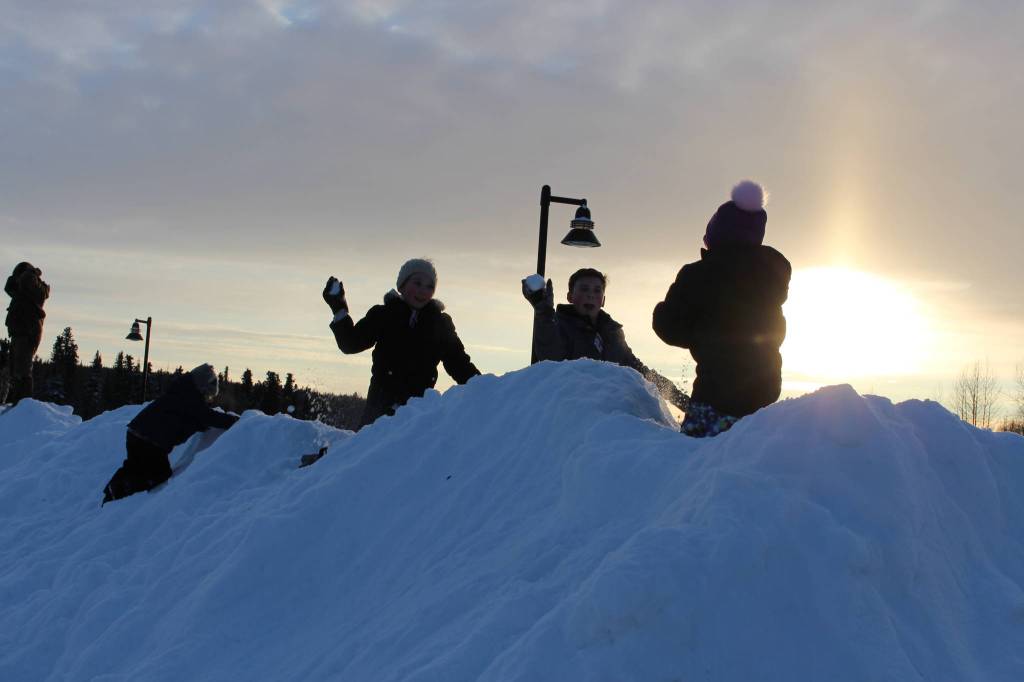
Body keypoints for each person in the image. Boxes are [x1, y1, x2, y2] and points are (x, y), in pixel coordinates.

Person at [652, 180, 791, 437]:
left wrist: (666, 315)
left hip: (715, 395)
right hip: (764, 394)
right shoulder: (771, 275)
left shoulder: (699, 275)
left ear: (715, 236)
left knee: (697, 461)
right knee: (747, 459)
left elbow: (672, 328)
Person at [322, 258, 480, 429]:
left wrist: (486, 389)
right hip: (379, 408)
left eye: (429, 286)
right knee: (369, 452)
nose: (423, 290)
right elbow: (350, 343)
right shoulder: (384, 315)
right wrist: (339, 309)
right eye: (417, 283)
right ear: (402, 285)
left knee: (409, 453)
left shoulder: (439, 323)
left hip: (417, 413)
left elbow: (459, 364)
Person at [523, 267, 689, 411]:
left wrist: (684, 402)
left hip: (610, 416)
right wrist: (543, 313)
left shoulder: (613, 335)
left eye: (597, 290)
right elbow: (551, 358)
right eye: (584, 289)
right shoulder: (556, 326)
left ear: (603, 300)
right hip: (571, 414)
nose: (590, 295)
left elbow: (642, 373)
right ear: (570, 296)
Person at [102, 364, 239, 503]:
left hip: (136, 433)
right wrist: (235, 421)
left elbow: (190, 418)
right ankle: (124, 493)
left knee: (134, 466)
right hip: (150, 440)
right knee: (160, 474)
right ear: (203, 386)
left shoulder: (182, 392)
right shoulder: (190, 397)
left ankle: (111, 495)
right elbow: (207, 416)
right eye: (207, 395)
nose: (207, 399)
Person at [4, 262, 50, 404]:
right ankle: (15, 400)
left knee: (23, 369)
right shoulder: (23, 293)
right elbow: (9, 287)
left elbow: (25, 281)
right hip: (19, 332)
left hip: (27, 332)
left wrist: (30, 272)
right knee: (15, 369)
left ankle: (23, 403)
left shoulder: (35, 289)